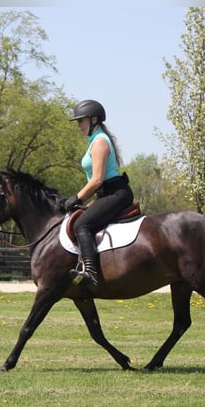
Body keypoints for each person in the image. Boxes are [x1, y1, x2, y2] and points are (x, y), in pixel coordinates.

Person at [60, 99, 134, 292]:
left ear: (94, 119)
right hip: (108, 193)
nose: (78, 125)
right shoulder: (94, 141)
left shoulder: (100, 142)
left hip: (116, 192)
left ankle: (91, 275)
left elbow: (97, 180)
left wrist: (76, 198)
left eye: (80, 120)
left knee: (81, 225)